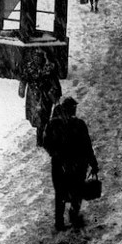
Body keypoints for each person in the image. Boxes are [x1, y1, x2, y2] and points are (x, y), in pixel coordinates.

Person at [43, 96, 99, 231]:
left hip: (59, 165)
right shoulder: (79, 125)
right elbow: (87, 146)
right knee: (77, 190)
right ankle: (74, 215)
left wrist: (56, 154)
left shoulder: (52, 125)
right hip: (78, 164)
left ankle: (59, 222)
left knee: (60, 193)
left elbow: (46, 144)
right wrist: (94, 164)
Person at [18, 49, 62, 147]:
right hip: (34, 96)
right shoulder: (29, 67)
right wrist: (22, 90)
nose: (37, 59)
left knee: (45, 116)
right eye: (35, 57)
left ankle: (43, 133)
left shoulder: (49, 68)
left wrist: (56, 93)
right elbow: (24, 79)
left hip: (46, 96)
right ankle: (40, 137)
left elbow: (55, 81)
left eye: (39, 57)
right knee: (38, 117)